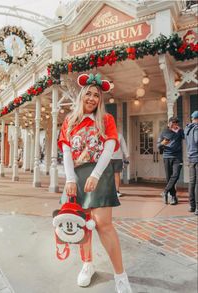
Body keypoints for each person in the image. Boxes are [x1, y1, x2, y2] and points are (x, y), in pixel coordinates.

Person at [57, 73, 132, 292]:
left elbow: (109, 148)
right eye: (88, 93)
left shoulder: (106, 120)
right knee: (81, 222)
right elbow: (67, 151)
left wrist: (96, 175)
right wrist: (70, 178)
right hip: (76, 176)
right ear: (81, 96)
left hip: (99, 173)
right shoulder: (69, 121)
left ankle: (120, 275)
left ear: (100, 100)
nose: (91, 98)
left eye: (96, 95)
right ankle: (87, 264)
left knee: (103, 225)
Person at [157, 117, 184, 205]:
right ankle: (173, 196)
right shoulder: (164, 132)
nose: (175, 124)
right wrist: (162, 143)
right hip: (167, 157)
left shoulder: (180, 131)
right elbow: (158, 145)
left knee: (175, 175)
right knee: (169, 178)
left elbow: (186, 137)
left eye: (176, 123)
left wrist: (181, 130)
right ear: (169, 123)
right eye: (173, 123)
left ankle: (165, 191)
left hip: (177, 157)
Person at [184, 110, 198, 216]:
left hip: (190, 157)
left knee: (192, 182)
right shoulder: (196, 128)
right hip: (197, 157)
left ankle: (192, 206)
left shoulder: (187, 128)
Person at [111, 133, 129, 198]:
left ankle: (117, 191)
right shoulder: (105, 134)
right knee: (108, 175)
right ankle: (109, 192)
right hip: (107, 158)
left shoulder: (119, 135)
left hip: (118, 157)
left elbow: (123, 145)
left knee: (117, 174)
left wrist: (126, 155)